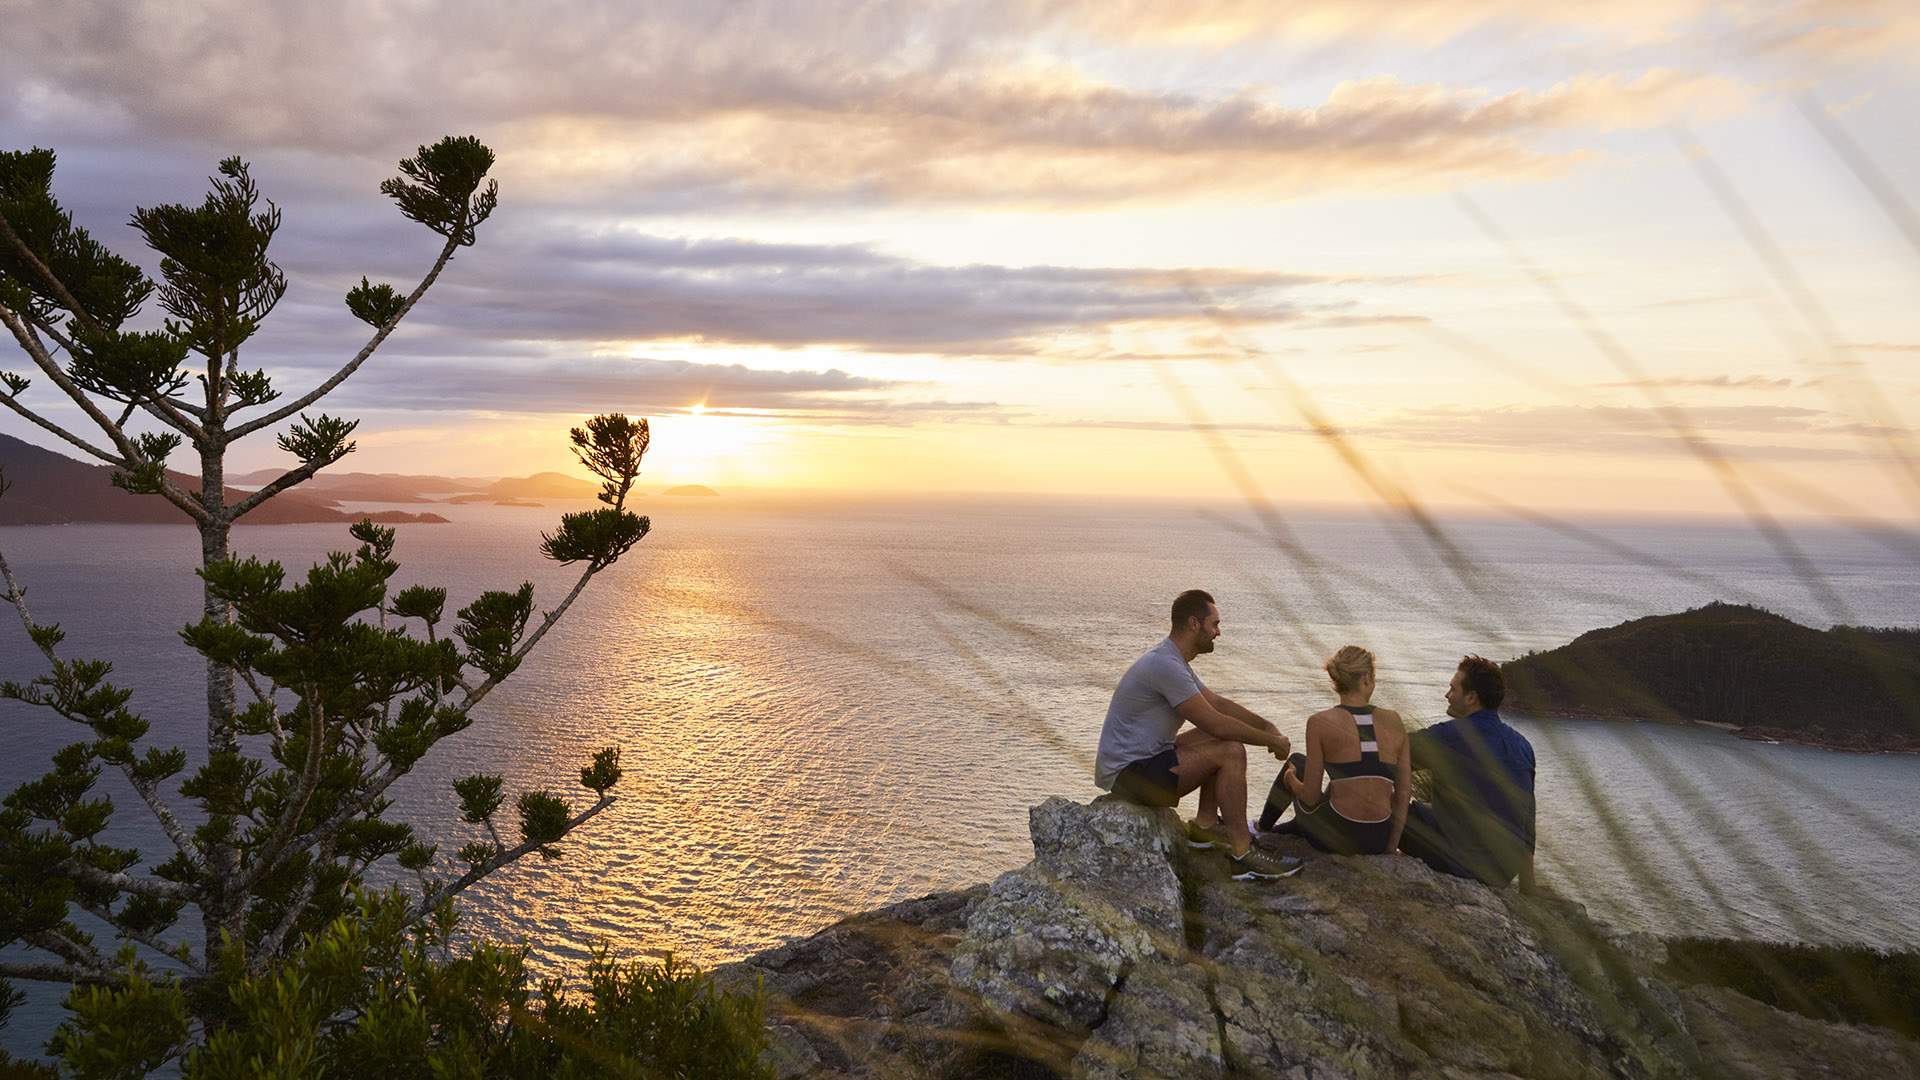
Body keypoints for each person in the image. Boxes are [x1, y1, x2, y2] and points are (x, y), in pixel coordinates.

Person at [1095, 589, 1301, 880]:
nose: (1218, 633)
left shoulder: (1172, 660)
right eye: (1214, 624)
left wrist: (1267, 726)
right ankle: (1243, 854)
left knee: (1221, 739)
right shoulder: (1165, 665)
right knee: (1230, 750)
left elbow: (1217, 704)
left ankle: (1204, 829)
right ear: (1194, 623)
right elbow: (1217, 723)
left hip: (1145, 763)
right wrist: (1271, 741)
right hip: (1130, 775)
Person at [1398, 655, 1537, 890]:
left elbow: (1396, 753)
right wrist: (1527, 888)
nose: (1447, 695)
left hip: (1464, 862)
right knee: (1428, 810)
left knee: (1393, 811)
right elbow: (1527, 821)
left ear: (1471, 697)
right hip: (1503, 872)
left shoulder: (1451, 736)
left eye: (1453, 689)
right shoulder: (1523, 745)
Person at [1257, 645, 1410, 856]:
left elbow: (1310, 797)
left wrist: (1290, 780)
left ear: (1337, 681)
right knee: (1339, 782)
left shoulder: (1319, 722)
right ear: (1366, 678)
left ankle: (1261, 829)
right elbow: (1403, 794)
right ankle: (1283, 829)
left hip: (1336, 839)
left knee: (1297, 763)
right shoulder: (1394, 720)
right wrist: (1390, 847)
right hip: (1377, 839)